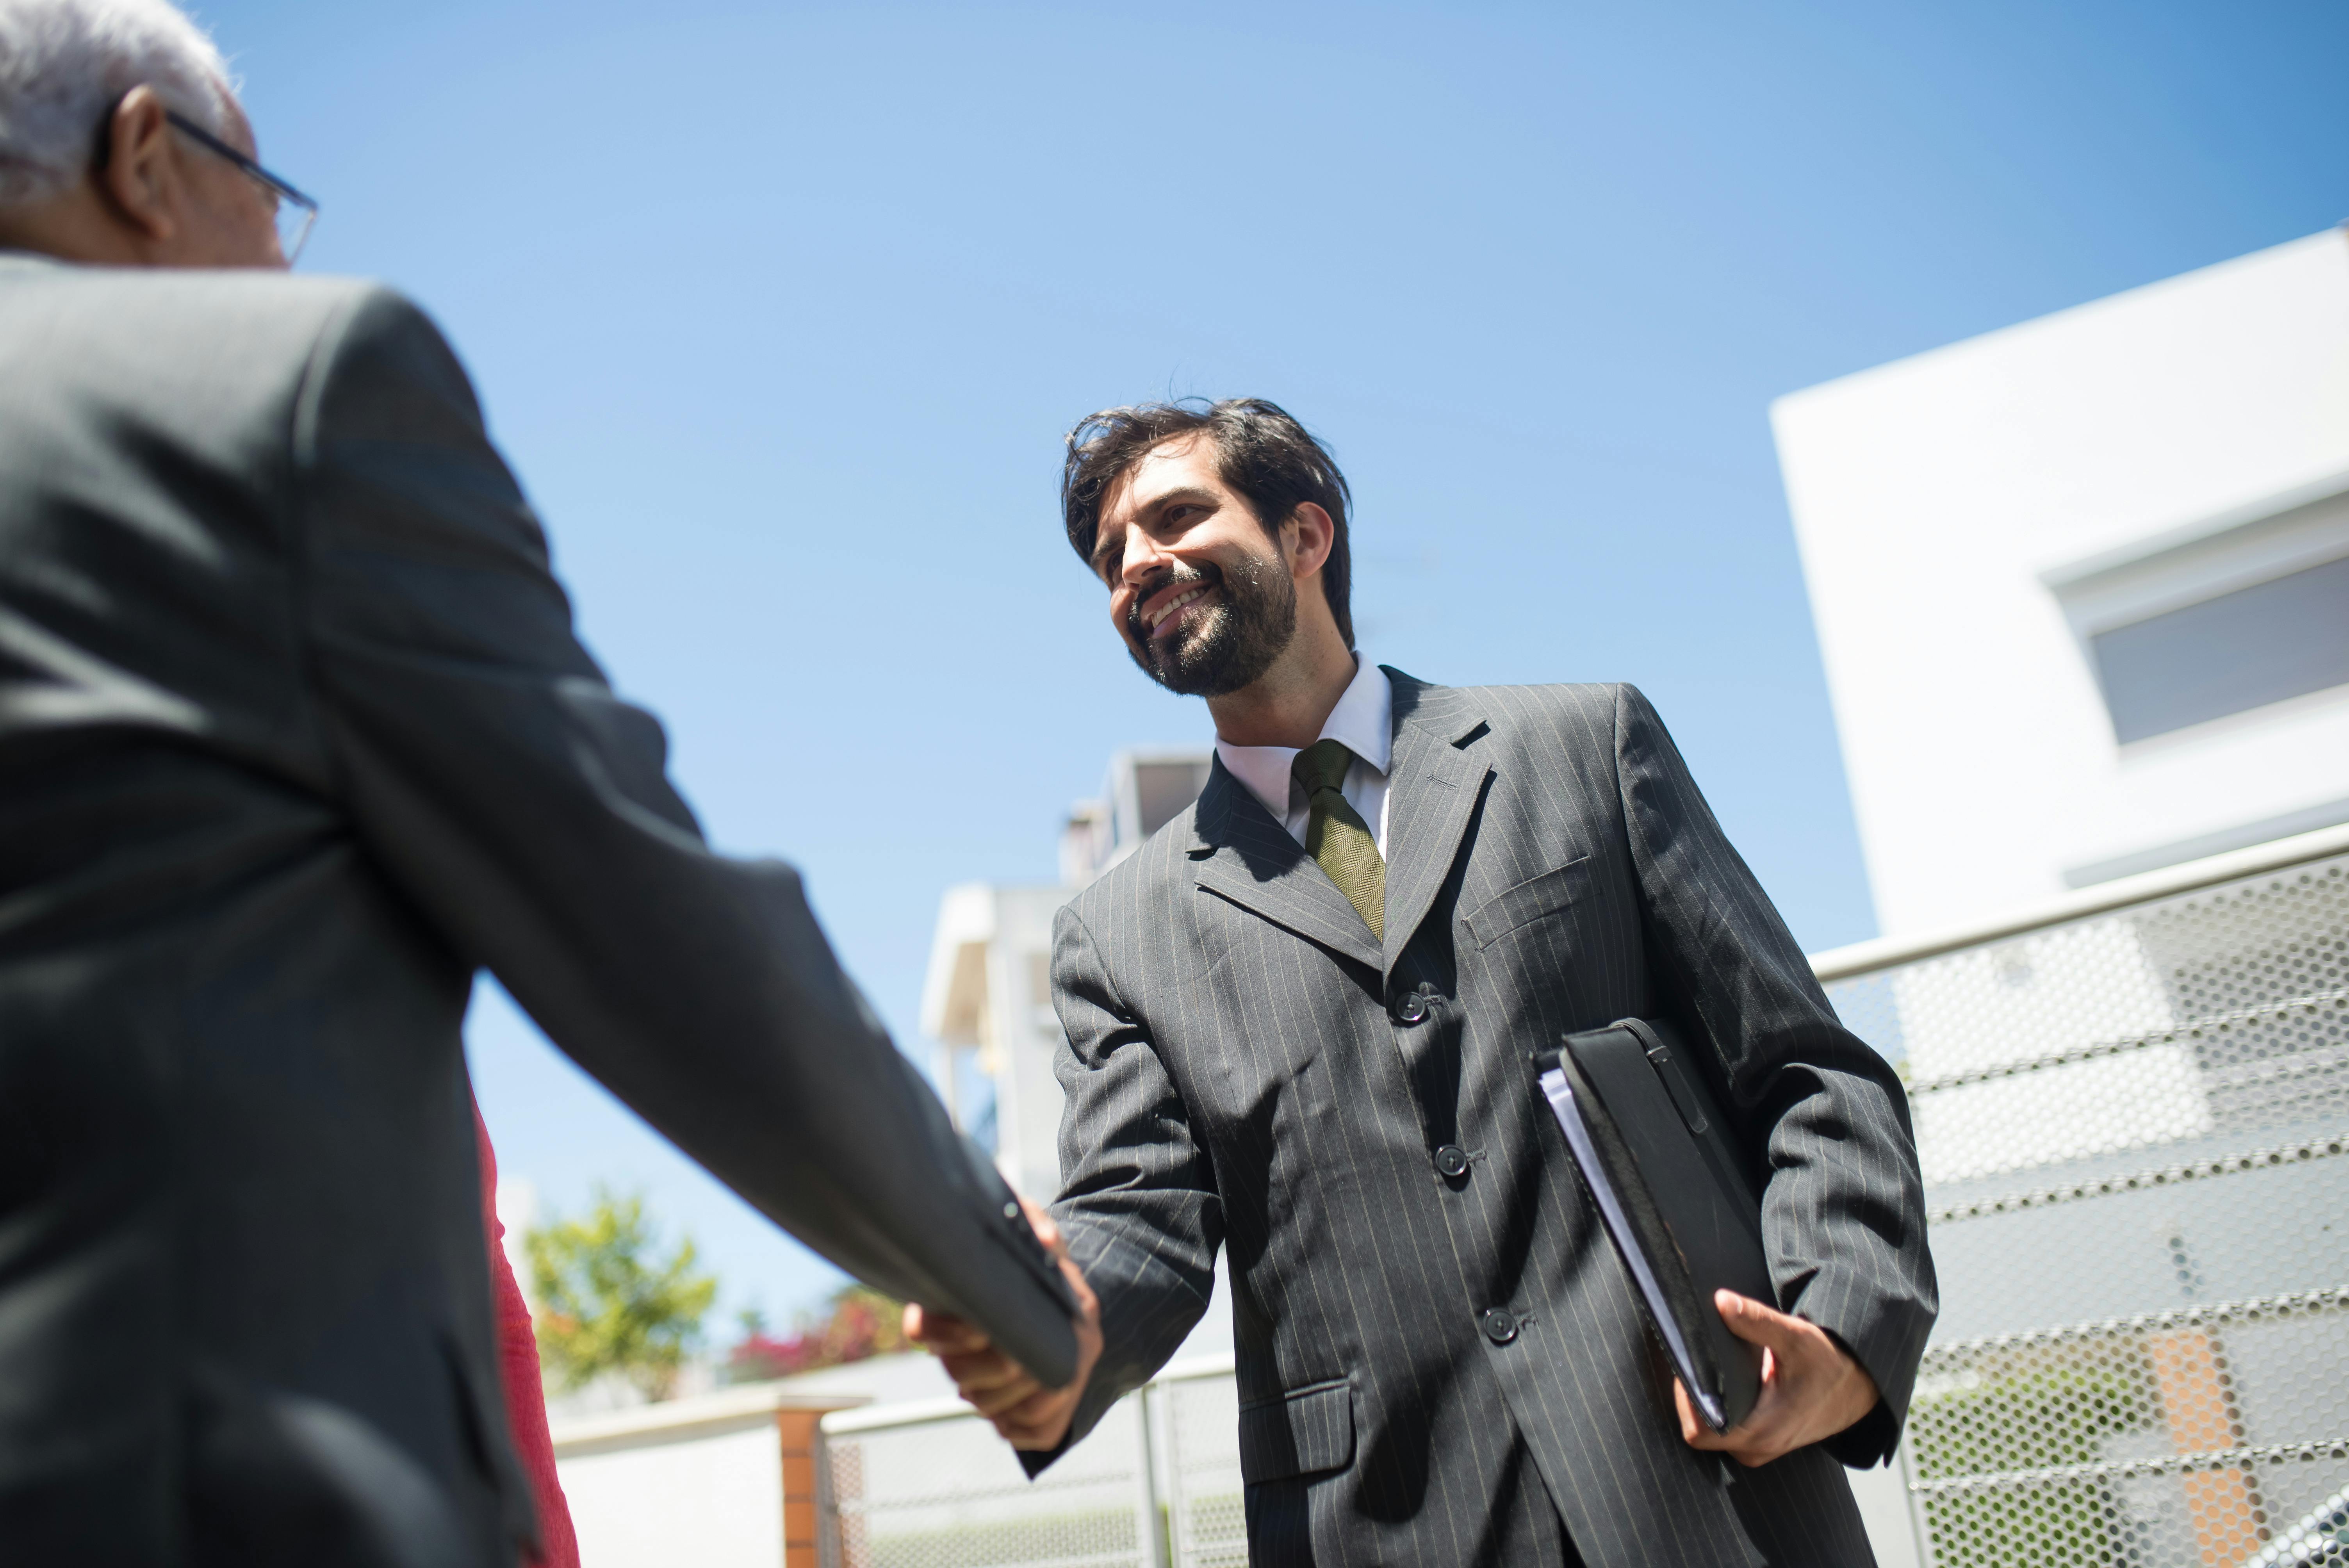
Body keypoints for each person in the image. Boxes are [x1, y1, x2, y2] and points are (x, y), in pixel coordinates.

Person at [0, 3, 1085, 1563]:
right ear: (146, 157)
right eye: (267, 194)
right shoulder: (273, 391)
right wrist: (1027, 1303)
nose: (282, 264)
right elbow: (656, 933)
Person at [911, 399, 1937, 1565]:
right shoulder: (1116, 932)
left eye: (1176, 515)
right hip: (1390, 1528)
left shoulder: (1583, 746)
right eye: (1110, 556)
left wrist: (1844, 1336)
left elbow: (1808, 1075)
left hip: (1716, 1504)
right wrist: (1063, 1323)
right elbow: (1136, 1221)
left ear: (1307, 535)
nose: (1137, 561)